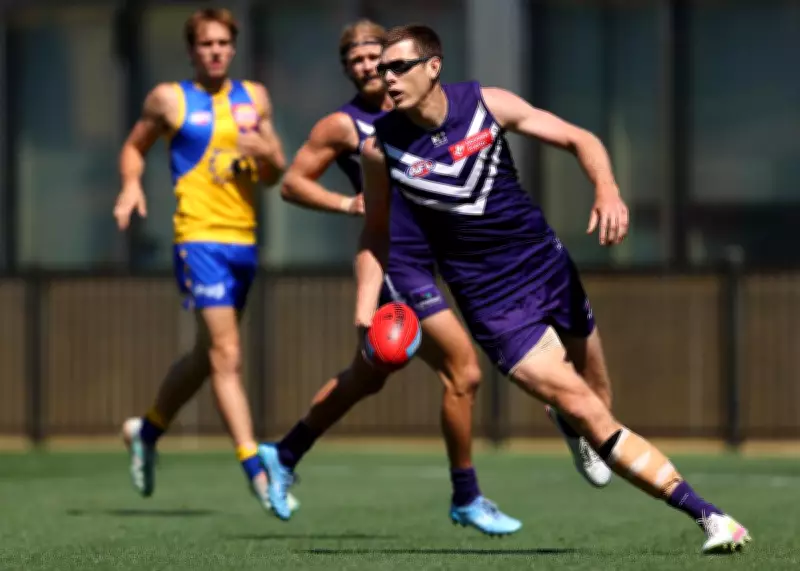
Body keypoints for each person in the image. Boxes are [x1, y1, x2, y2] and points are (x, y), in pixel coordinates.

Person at [268, 24, 752, 554]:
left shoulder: (485, 104)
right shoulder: (380, 148)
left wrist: (607, 189)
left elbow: (579, 138)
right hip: (492, 304)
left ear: (434, 66)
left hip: (548, 268)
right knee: (587, 409)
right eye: (381, 69)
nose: (386, 77)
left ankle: (572, 429)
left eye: (397, 66)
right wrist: (365, 306)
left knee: (598, 399)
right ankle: (712, 518)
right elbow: (377, 232)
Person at [269, 19, 526, 535]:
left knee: (367, 377)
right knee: (465, 372)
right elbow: (292, 185)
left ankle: (285, 452)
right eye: (356, 61)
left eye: (375, 57)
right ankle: (466, 496)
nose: (368, 67)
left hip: (447, 257)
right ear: (346, 69)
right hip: (400, 264)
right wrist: (349, 203)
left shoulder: (423, 110)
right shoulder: (345, 127)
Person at [113, 7, 296, 514]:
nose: (215, 51)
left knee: (206, 358)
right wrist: (131, 184)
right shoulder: (170, 99)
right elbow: (134, 147)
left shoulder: (254, 97)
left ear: (233, 49)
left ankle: (145, 432)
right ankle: (258, 473)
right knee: (228, 355)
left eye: (223, 44)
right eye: (206, 44)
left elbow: (274, 174)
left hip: (244, 242)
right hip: (197, 239)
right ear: (192, 50)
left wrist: (270, 154)